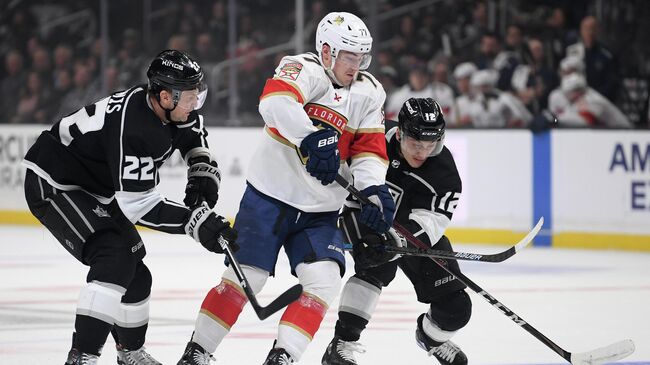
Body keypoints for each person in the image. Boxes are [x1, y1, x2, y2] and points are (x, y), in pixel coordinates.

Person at [176, 12, 395, 365]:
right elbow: (275, 103)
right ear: (326, 51)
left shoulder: (369, 93)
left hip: (321, 214)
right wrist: (311, 137)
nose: (357, 65)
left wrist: (371, 189)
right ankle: (197, 351)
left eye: (361, 58)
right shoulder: (302, 67)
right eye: (349, 56)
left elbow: (369, 150)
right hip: (268, 200)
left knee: (324, 281)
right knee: (246, 277)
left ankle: (283, 356)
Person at [22, 49, 238, 365]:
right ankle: (81, 357)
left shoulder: (175, 111)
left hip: (95, 188)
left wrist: (201, 172)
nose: (196, 103)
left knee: (137, 275)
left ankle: (129, 353)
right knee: (114, 255)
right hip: (54, 183)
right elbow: (139, 205)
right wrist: (196, 223)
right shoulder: (134, 127)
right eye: (191, 96)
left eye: (197, 94)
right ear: (165, 96)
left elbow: (194, 139)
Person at [321, 98, 471, 365]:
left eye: (430, 145)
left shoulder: (444, 172)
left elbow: (433, 221)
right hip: (366, 218)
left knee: (456, 308)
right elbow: (343, 180)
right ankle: (342, 342)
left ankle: (431, 339)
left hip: (414, 236)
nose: (423, 152)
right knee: (375, 267)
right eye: (416, 144)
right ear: (400, 132)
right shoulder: (371, 139)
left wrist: (399, 239)